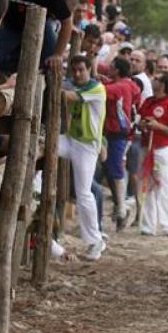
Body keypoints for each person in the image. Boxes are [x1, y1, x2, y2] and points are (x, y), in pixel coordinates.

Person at [59, 55, 107, 259]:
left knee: (83, 193)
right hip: (71, 140)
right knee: (40, 146)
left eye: (82, 70)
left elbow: (69, 97)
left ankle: (96, 241)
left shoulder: (96, 88)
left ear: (89, 70)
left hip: (87, 147)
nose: (78, 74)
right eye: (75, 70)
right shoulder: (75, 84)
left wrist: (51, 83)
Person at [137, 72, 168, 236]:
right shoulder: (148, 101)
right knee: (146, 187)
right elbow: (140, 121)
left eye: (157, 79)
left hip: (161, 150)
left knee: (164, 188)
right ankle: (148, 225)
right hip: (145, 148)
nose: (153, 80)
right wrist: (143, 124)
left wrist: (158, 127)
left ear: (163, 85)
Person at [101, 56, 140, 231]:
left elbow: (101, 91)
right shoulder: (130, 85)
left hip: (117, 133)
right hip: (120, 133)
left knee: (115, 169)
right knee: (111, 169)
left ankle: (122, 208)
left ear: (116, 70)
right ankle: (121, 208)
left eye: (111, 66)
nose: (108, 68)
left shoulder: (118, 87)